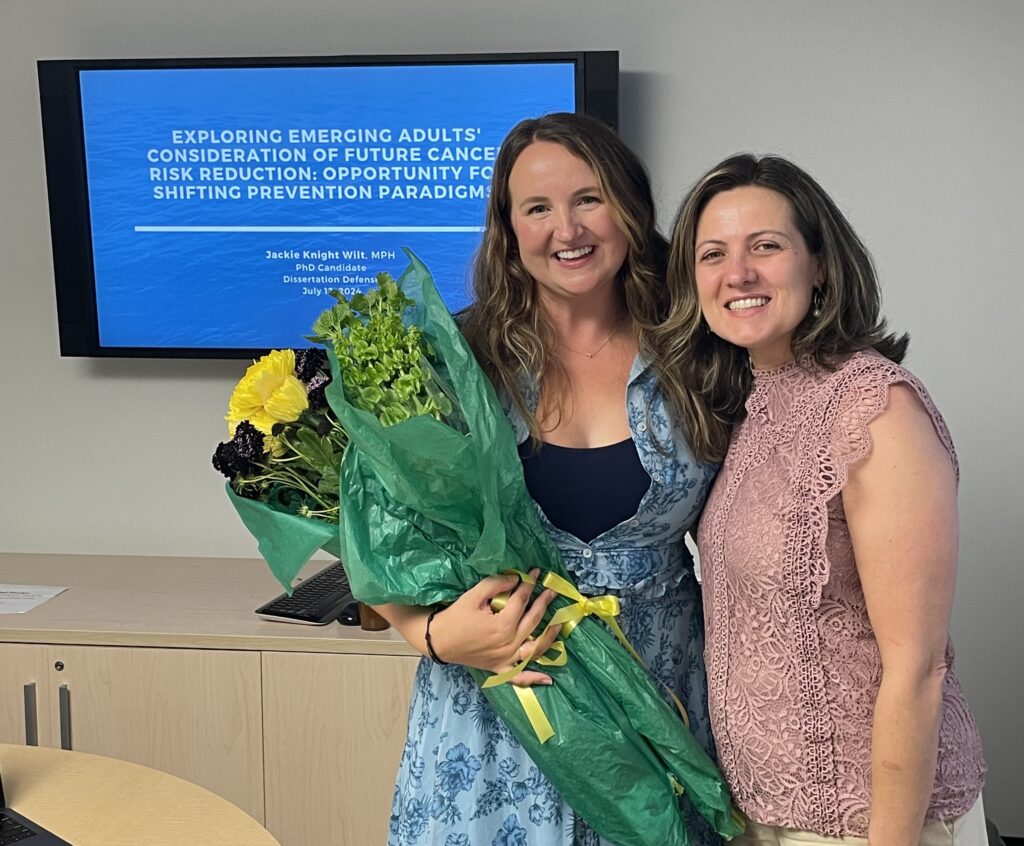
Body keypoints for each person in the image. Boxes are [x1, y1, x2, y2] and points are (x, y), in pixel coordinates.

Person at [373, 113, 723, 845]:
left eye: (589, 198)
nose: (568, 229)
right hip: (500, 713)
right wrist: (434, 634)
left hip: (654, 709)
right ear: (509, 228)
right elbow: (377, 544)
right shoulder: (450, 363)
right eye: (537, 207)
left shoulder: (704, 353)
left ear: (629, 206)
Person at [664, 153, 987, 845]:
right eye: (713, 254)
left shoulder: (875, 409)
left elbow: (917, 668)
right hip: (768, 813)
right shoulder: (752, 406)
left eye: (766, 247)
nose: (738, 273)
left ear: (819, 263)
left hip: (874, 822)